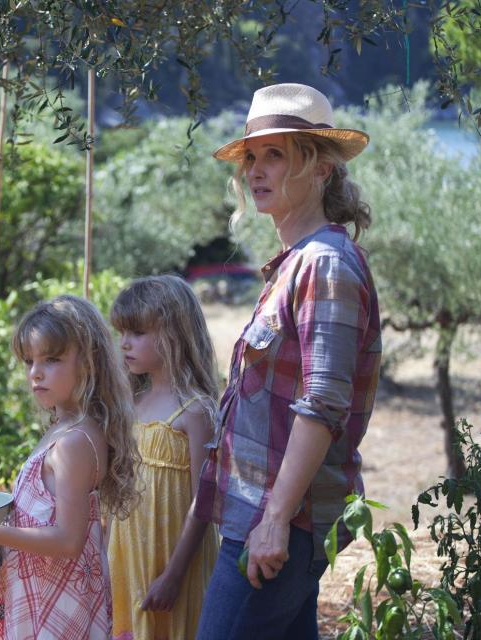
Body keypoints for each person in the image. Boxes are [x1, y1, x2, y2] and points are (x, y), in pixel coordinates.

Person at [193, 83, 382, 639]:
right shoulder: (297, 262)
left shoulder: (325, 265)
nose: (256, 169)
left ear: (321, 167)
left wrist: (274, 519)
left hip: (279, 522)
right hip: (266, 517)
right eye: (251, 155)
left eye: (275, 154)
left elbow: (324, 403)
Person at [0, 294, 140, 640]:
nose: (35, 373)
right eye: (29, 361)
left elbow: (67, 540)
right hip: (45, 589)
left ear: (88, 363)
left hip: (60, 600)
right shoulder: (66, 428)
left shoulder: (75, 442)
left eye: (52, 359)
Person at [106, 275, 222, 640]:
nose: (124, 343)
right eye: (122, 332)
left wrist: (173, 575)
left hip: (175, 562)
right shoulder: (132, 405)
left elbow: (203, 503)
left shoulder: (195, 411)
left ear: (174, 333)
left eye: (137, 332)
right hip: (129, 557)